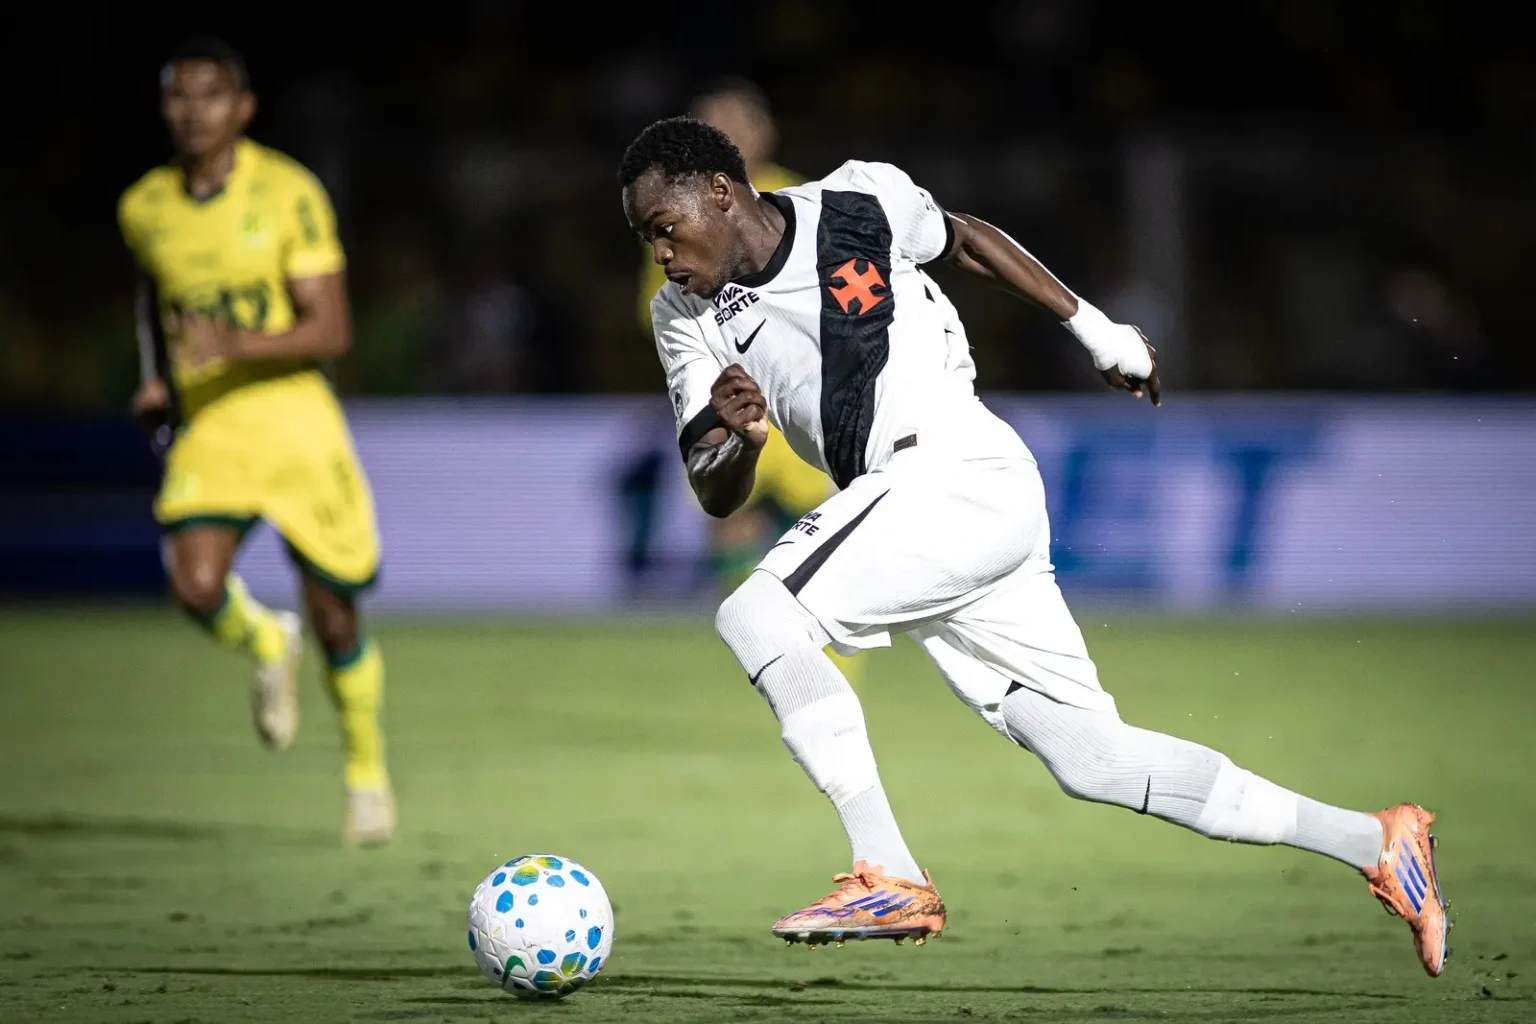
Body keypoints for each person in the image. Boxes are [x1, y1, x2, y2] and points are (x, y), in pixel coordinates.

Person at [618, 117, 1448, 976]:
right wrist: (740, 439)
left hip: (952, 468)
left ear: (721, 192)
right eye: (646, 239)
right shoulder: (682, 316)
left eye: (665, 228)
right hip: (924, 515)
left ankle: (889, 871)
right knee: (1094, 758)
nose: (662, 254)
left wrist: (1096, 329)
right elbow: (713, 485)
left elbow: (968, 243)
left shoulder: (858, 198)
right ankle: (1377, 842)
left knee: (755, 613)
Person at [118, 36, 394, 845]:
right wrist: (157, 379)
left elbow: (331, 328)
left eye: (210, 95)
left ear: (242, 107)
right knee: (195, 586)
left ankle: (366, 774)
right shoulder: (145, 207)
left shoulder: (287, 192)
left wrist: (232, 345)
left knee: (336, 616)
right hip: (213, 422)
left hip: (293, 415)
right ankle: (268, 638)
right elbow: (151, 300)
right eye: (179, 96)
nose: (193, 111)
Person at [637, 80, 864, 687]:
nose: (722, 137)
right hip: (730, 400)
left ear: (764, 134)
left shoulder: (796, 197)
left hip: (802, 403)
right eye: (709, 126)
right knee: (731, 529)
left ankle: (836, 675)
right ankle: (777, 664)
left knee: (831, 539)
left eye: (733, 125)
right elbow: (663, 315)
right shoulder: (677, 218)